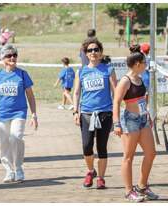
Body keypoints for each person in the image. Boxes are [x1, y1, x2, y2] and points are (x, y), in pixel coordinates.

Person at [0, 44, 38, 183]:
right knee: (4, 143)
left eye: (14, 55)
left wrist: (34, 114)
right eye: (9, 55)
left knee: (16, 138)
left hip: (19, 112)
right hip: (2, 114)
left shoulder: (22, 74)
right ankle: (9, 171)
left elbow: (30, 96)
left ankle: (19, 168)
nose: (12, 57)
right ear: (3, 58)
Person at [113, 45, 158, 202]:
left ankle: (142, 186)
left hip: (143, 120)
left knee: (151, 153)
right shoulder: (125, 81)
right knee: (128, 157)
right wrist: (116, 123)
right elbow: (116, 102)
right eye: (144, 62)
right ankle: (128, 191)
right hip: (130, 121)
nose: (146, 65)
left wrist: (148, 115)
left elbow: (142, 100)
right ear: (138, 64)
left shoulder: (140, 79)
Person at [73, 38, 117, 189]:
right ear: (85, 54)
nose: (93, 52)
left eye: (96, 49)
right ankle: (91, 171)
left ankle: (101, 178)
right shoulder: (81, 71)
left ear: (101, 52)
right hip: (86, 113)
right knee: (86, 146)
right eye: (90, 50)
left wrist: (116, 113)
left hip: (105, 113)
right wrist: (75, 111)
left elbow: (116, 92)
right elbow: (77, 92)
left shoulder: (108, 69)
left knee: (102, 146)